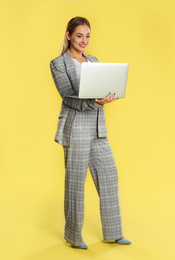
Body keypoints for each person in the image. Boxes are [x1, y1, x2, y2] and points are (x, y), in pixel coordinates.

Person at [50, 16, 131, 249]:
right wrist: (96, 102)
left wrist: (108, 95)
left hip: (97, 127)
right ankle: (73, 236)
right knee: (75, 183)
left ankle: (114, 232)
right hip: (75, 127)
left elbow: (99, 87)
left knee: (109, 176)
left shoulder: (94, 60)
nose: (84, 40)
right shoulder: (58, 63)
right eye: (79, 35)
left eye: (87, 36)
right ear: (68, 35)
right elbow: (67, 96)